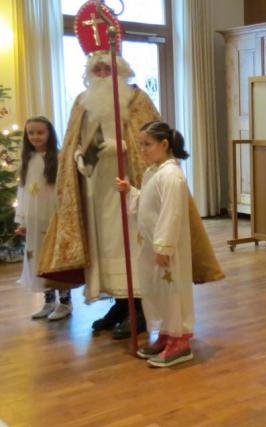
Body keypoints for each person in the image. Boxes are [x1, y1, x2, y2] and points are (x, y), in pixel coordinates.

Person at [38, 53, 159, 339]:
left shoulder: (136, 99)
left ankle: (139, 308)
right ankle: (119, 303)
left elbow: (151, 138)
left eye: (108, 68)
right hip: (95, 187)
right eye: (97, 69)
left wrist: (122, 147)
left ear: (120, 71)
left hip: (128, 185)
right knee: (104, 246)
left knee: (129, 243)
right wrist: (79, 157)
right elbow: (73, 141)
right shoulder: (82, 101)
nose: (103, 73)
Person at [116, 122, 208, 367]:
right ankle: (167, 332)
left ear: (164, 144)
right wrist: (131, 192)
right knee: (157, 291)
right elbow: (149, 205)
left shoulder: (171, 176)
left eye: (147, 145)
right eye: (141, 145)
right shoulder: (153, 172)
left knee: (172, 290)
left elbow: (171, 213)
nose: (142, 150)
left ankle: (181, 341)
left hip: (166, 249)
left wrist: (164, 247)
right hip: (150, 245)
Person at [15, 117, 68, 321]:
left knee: (55, 259)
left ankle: (65, 302)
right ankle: (48, 301)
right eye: (31, 133)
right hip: (34, 218)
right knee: (38, 258)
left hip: (53, 217)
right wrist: (22, 220)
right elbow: (23, 192)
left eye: (40, 132)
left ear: (49, 134)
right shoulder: (27, 159)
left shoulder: (59, 158)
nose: (35, 136)